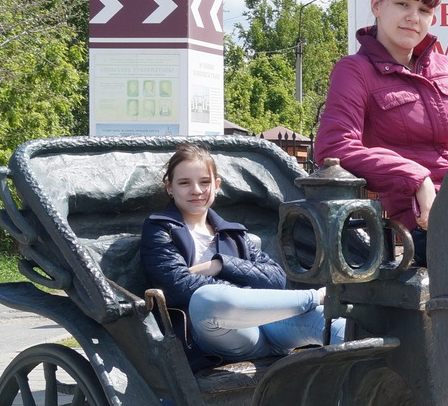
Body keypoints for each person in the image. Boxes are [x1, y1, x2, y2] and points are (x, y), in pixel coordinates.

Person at [313, 0, 448, 264]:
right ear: (377, 5)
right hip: (411, 228)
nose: (413, 17)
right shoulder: (355, 71)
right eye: (402, 3)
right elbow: (333, 147)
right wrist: (416, 178)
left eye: (424, 9)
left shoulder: (446, 69)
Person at [141, 144, 329, 363]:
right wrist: (245, 292)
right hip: (218, 336)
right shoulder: (160, 228)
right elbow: (178, 286)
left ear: (217, 185)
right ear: (170, 187)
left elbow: (277, 279)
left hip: (270, 327)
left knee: (330, 322)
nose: (196, 190)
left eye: (204, 182)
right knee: (206, 298)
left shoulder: (233, 232)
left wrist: (221, 265)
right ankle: (317, 297)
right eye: (184, 183)